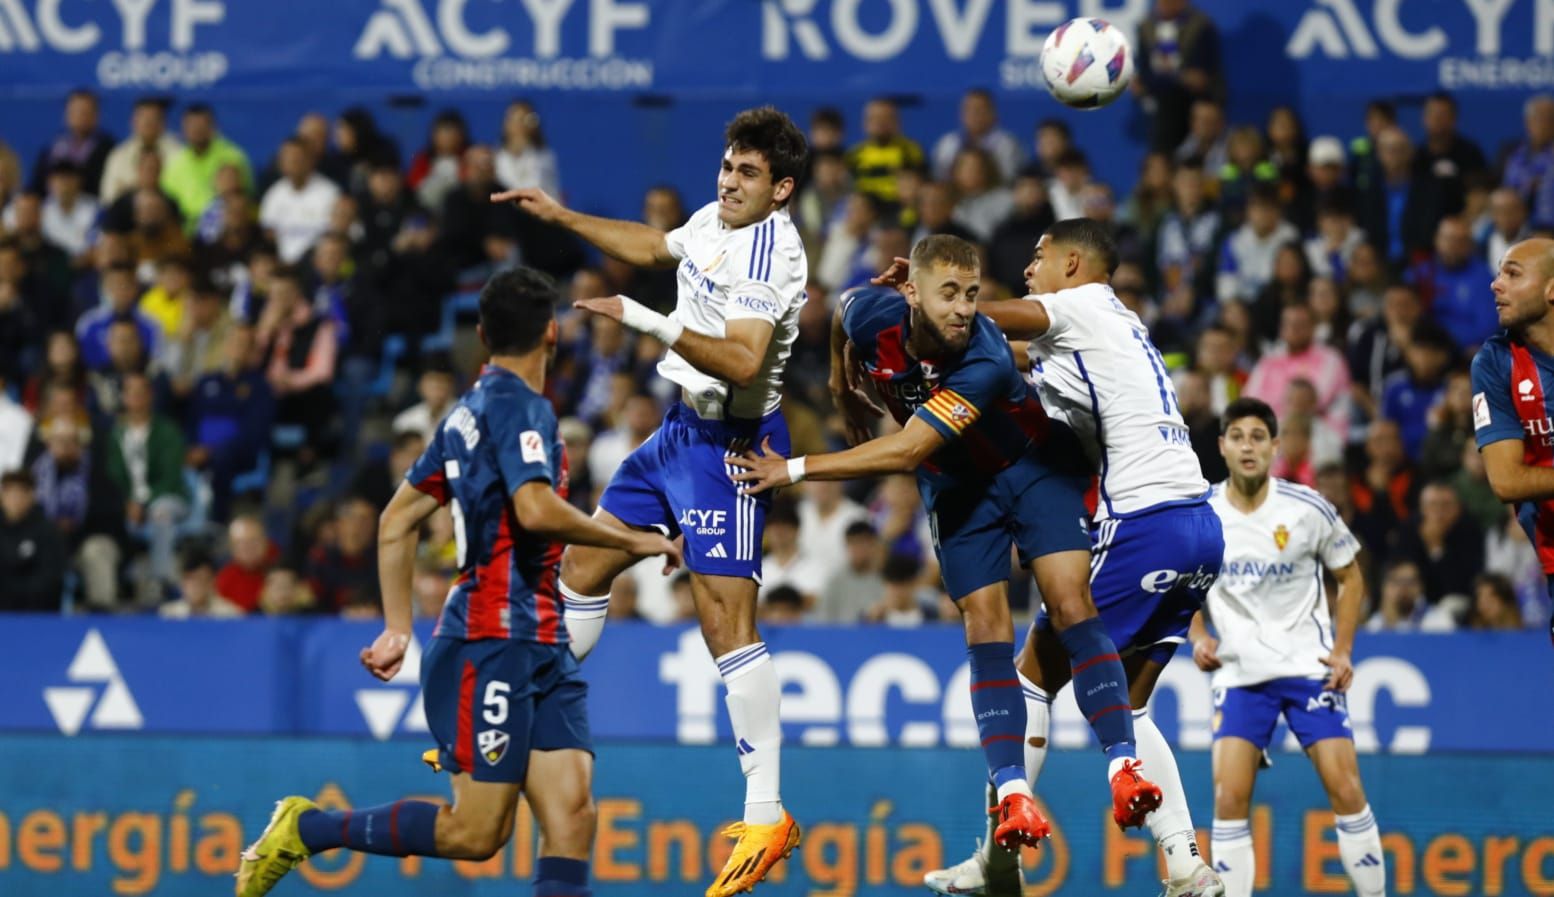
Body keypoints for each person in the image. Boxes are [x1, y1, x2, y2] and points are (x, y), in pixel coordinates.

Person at [234, 267, 679, 897]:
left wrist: (395, 627)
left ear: (480, 333)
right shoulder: (519, 408)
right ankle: (310, 828)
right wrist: (631, 539)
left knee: (573, 816)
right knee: (476, 834)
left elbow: (397, 520)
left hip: (542, 639)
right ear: (552, 333)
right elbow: (533, 509)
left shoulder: (463, 415)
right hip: (489, 639)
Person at [730, 235, 1165, 868]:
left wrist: (792, 469)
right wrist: (839, 387)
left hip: (1033, 466)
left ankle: (1124, 766)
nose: (965, 309)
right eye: (949, 294)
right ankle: (1013, 795)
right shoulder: (870, 313)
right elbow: (844, 317)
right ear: (909, 293)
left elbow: (905, 450)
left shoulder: (985, 357)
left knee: (1070, 602)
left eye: (971, 294)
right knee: (983, 624)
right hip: (957, 487)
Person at [493, 106, 809, 897]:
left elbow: (741, 360)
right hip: (676, 433)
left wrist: (640, 317)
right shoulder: (717, 219)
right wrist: (563, 217)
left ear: (783, 189)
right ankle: (527, 710)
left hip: (730, 450)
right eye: (728, 166)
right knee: (584, 563)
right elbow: (654, 244)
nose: (729, 182)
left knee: (724, 623)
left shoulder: (772, 251)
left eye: (747, 174)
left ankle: (767, 813)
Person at [912, 220, 1224, 897]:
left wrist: (929, 303)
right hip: (1199, 527)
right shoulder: (1111, 327)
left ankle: (999, 859)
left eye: (1037, 257)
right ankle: (1188, 867)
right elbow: (1011, 357)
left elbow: (975, 319)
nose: (1027, 270)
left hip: (1144, 520)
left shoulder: (1080, 305)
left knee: (1027, 676)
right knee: (1131, 705)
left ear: (1073, 262)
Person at [1191, 397, 1385, 897]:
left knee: (1346, 789)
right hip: (1238, 673)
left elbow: (1351, 578)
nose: (1247, 446)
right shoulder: (1202, 512)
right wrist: (1197, 635)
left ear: (1276, 447)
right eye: (1237, 436)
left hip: (1307, 667)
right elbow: (1181, 582)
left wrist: (1343, 651)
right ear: (1222, 447)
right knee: (1228, 798)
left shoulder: (1306, 507)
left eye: (1258, 436)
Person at [1469, 236, 1554, 641]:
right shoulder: (1495, 363)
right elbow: (1507, 481)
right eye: (1499, 271)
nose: (1495, 284)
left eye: (1512, 273)